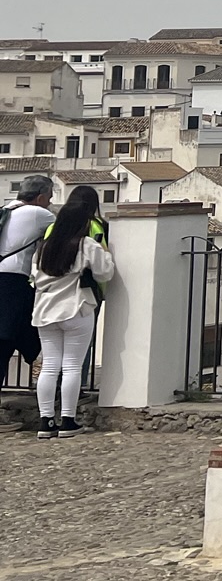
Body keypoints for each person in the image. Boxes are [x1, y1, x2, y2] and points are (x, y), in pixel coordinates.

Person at [30, 184, 113, 440]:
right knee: (72, 366)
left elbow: (34, 276)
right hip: (76, 307)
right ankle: (68, 420)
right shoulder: (86, 244)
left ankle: (46, 421)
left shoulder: (44, 247)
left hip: (45, 310)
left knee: (49, 366)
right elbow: (104, 272)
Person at [0, 178, 56, 386]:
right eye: (49, 198)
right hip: (12, 282)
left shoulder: (6, 209)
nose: (50, 202)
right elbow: (67, 231)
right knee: (6, 341)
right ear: (41, 197)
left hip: (5, 279)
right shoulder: (38, 214)